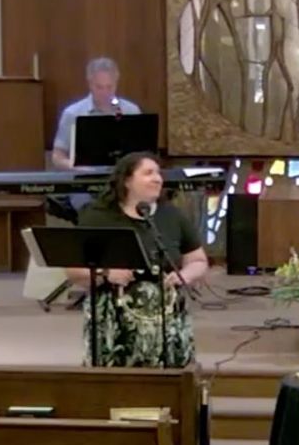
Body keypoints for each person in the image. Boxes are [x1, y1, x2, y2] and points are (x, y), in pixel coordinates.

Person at [65, 152, 208, 368]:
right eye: (148, 173)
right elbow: (72, 270)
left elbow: (198, 260)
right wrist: (107, 273)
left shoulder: (172, 215)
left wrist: (185, 275)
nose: (157, 179)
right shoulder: (97, 217)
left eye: (158, 173)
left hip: (166, 315)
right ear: (127, 180)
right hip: (114, 316)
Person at [51, 57, 142, 171]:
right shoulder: (72, 113)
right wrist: (75, 166)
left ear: (116, 84)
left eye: (109, 87)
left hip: (123, 176)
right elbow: (57, 157)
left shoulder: (131, 111)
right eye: (99, 87)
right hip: (85, 177)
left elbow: (141, 154)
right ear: (90, 84)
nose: (105, 92)